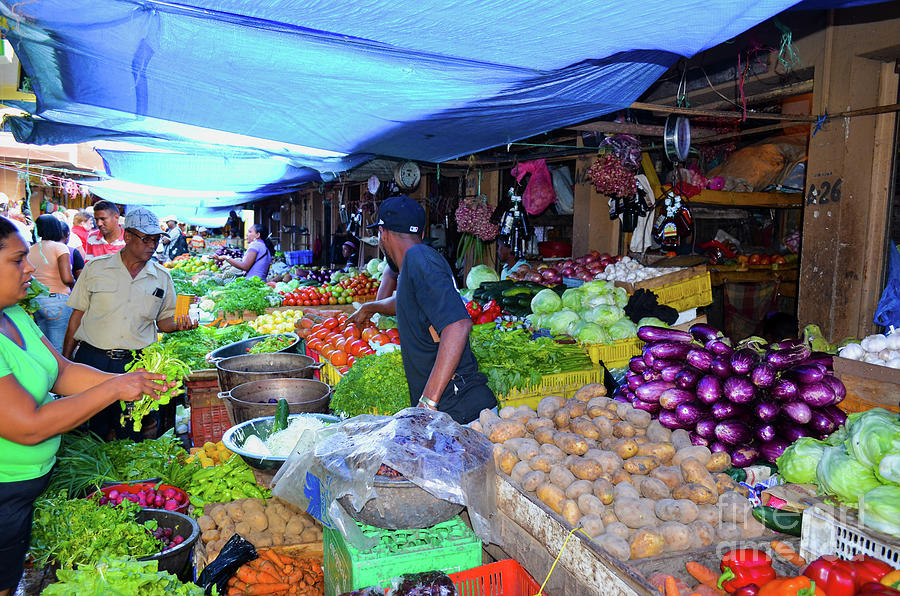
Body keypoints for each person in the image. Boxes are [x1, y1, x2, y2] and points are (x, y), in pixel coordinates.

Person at [0, 215, 167, 596]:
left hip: (17, 495)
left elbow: (62, 372)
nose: (30, 268)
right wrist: (114, 389)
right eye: (16, 260)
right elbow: (28, 426)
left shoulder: (12, 316)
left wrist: (133, 384)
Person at [349, 196, 496, 424]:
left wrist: (427, 403)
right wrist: (371, 307)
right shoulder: (417, 260)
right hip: (451, 410)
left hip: (459, 412)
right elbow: (408, 302)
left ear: (382, 233)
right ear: (422, 234)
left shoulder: (419, 259)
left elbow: (458, 325)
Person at [62, 207, 197, 441]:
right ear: (127, 236)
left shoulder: (162, 277)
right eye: (146, 239)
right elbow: (77, 316)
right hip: (92, 361)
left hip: (135, 366)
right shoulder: (96, 268)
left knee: (131, 433)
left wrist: (179, 324)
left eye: (156, 240)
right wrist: (64, 362)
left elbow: (163, 323)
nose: (152, 245)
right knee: (91, 432)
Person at [27, 215, 75, 354]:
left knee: (44, 349)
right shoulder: (60, 248)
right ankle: (60, 376)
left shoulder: (30, 249)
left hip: (36, 302)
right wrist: (74, 284)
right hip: (57, 300)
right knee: (59, 350)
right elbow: (66, 277)